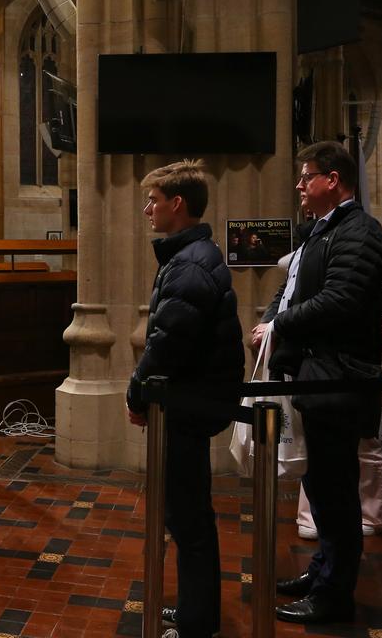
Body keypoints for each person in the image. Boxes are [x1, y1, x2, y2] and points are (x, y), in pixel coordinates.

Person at [253, 141, 382, 624]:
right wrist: (272, 319)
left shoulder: (361, 232)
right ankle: (322, 570)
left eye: (306, 176)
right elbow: (288, 288)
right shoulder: (321, 231)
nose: (299, 186)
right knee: (321, 483)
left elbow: (342, 300)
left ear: (332, 179)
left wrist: (281, 326)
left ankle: (335, 595)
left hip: (338, 376)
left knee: (335, 490)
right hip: (315, 374)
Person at [125, 160, 243, 638]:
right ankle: (198, 608)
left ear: (178, 204)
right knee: (186, 513)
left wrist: (137, 391)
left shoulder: (192, 261)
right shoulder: (190, 254)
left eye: (154, 200)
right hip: (190, 401)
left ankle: (197, 625)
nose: (147, 208)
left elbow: (168, 341)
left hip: (188, 403)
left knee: (190, 519)